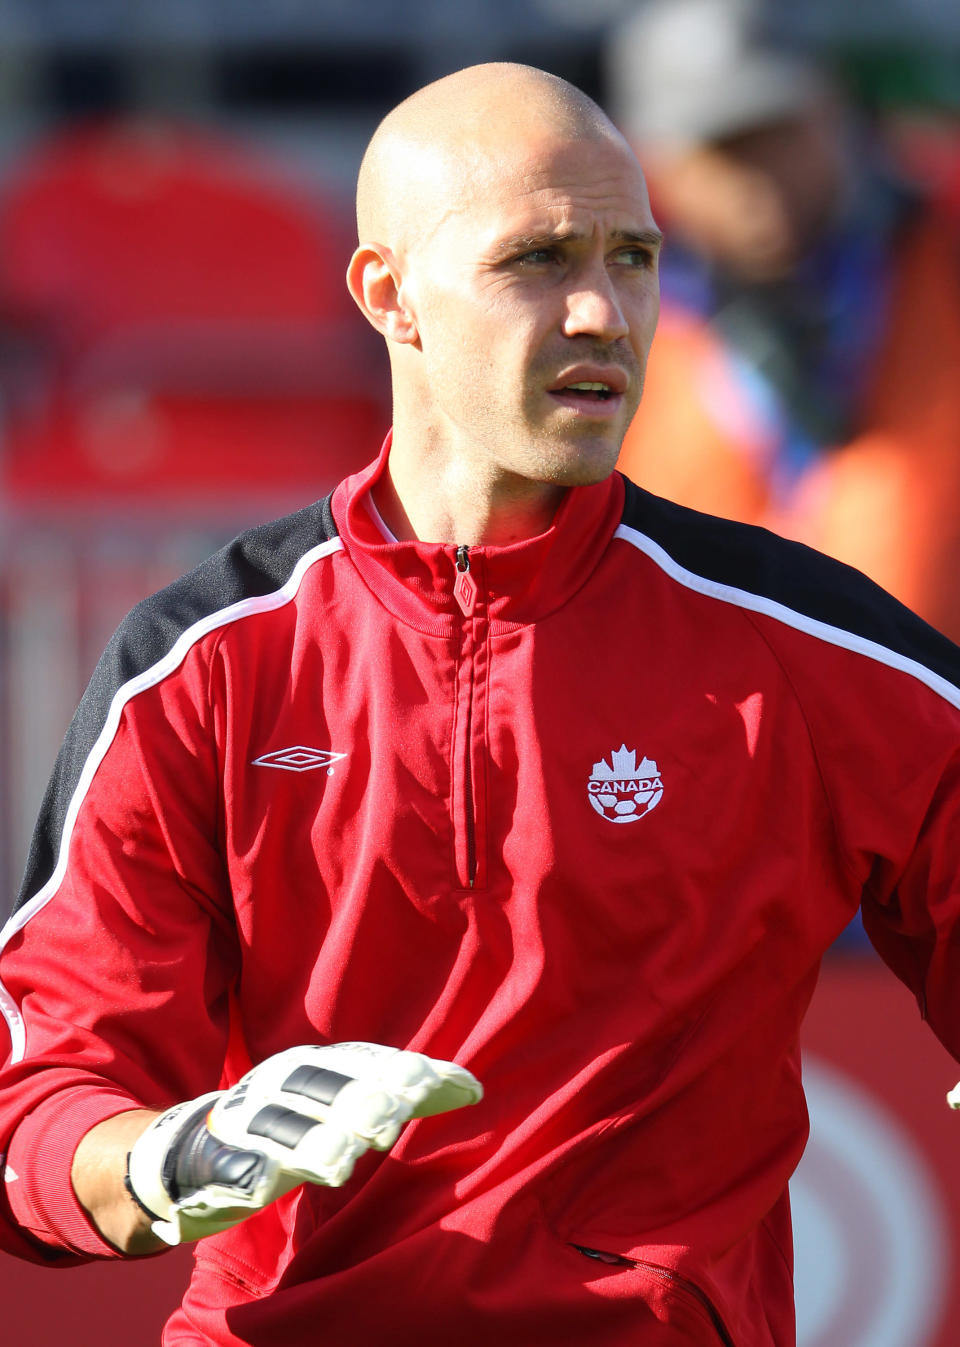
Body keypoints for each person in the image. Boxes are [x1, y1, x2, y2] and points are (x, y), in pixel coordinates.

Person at [0, 60, 959, 1347]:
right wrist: (179, 1157)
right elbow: (43, 1100)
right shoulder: (201, 665)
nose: (601, 313)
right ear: (386, 294)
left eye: (632, 258)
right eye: (538, 260)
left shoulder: (806, 649)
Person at [608, 0, 960, 644]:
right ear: (655, 166)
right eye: (724, 151)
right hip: (717, 730)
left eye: (778, 133)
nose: (759, 184)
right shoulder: (611, 333)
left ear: (833, 111)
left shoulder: (943, 261)